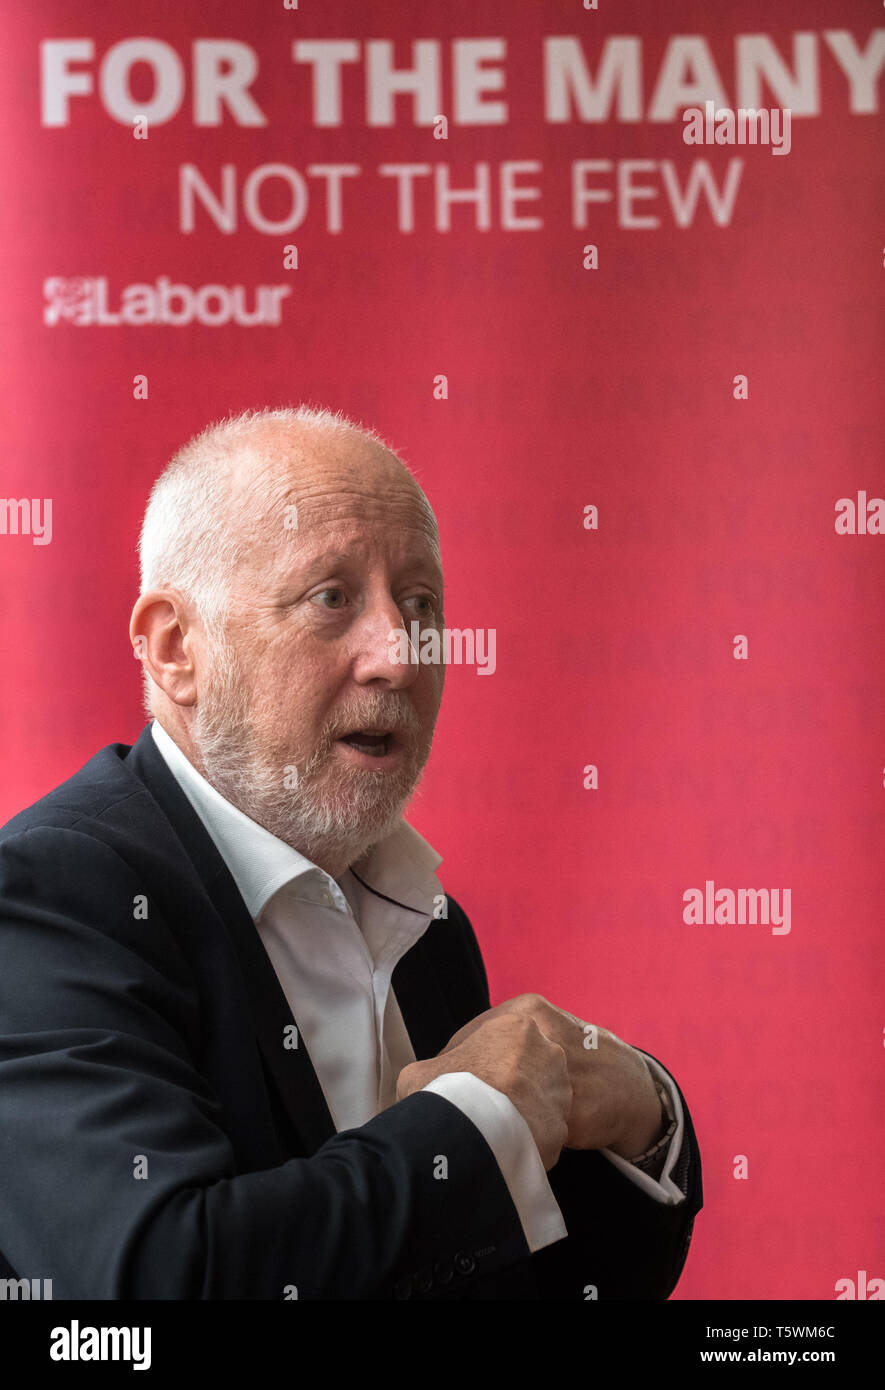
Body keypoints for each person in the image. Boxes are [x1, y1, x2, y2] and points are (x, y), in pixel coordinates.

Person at [0, 406, 702, 1299]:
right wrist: (476, 1116)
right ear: (177, 649)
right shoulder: (51, 897)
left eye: (420, 604)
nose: (398, 657)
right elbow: (155, 1280)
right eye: (331, 598)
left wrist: (648, 1111)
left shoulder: (429, 927)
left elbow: (529, 1273)